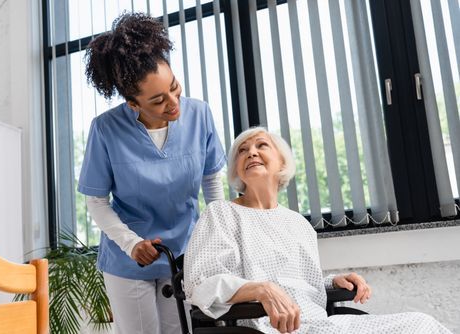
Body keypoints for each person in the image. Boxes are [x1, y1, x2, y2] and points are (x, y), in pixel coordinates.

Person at [183, 127, 452, 334]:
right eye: (242, 150)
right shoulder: (221, 214)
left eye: (261, 145)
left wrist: (333, 281)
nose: (251, 152)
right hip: (269, 328)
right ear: (236, 170)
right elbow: (202, 282)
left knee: (422, 324)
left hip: (317, 324)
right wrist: (261, 290)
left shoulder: (297, 223)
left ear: (282, 164)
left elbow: (298, 283)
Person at [78, 12, 226, 334]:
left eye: (175, 88)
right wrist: (131, 244)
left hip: (186, 254)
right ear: (133, 103)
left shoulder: (200, 114)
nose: (174, 103)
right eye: (158, 100)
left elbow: (212, 182)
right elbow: (97, 202)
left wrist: (215, 236)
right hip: (129, 260)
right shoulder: (105, 130)